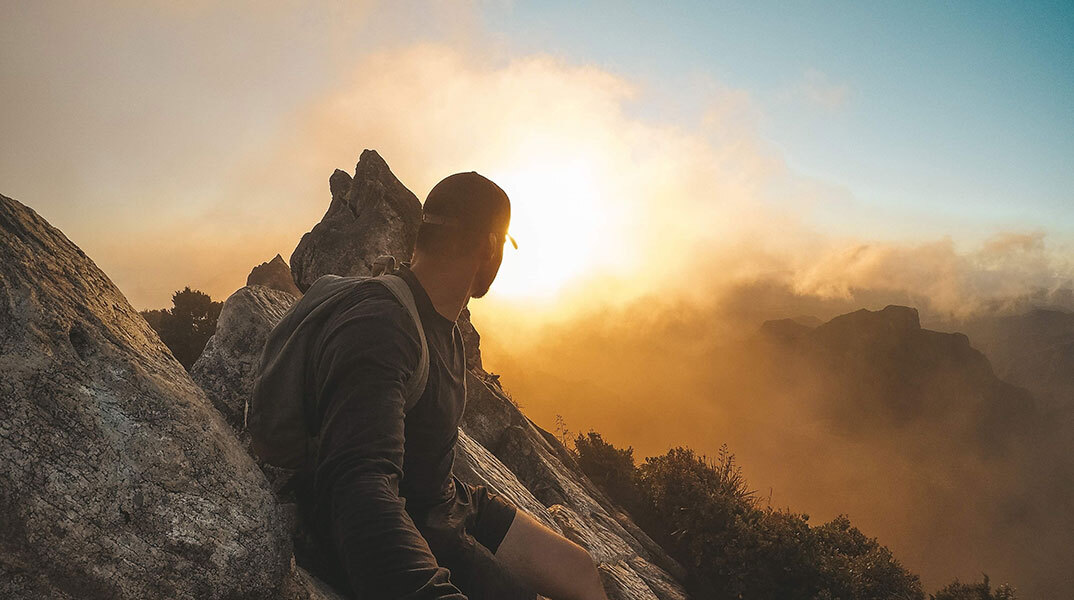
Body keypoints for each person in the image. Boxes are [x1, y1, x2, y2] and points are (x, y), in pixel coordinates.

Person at [294, 172, 609, 599]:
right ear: (492, 246)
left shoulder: (442, 324)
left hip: (444, 499)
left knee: (579, 572)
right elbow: (358, 488)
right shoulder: (381, 326)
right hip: (404, 519)